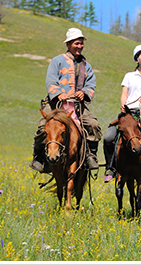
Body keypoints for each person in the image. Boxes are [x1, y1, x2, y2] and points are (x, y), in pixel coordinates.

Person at [30, 28, 102, 173]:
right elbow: (51, 80)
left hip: (77, 105)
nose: (80, 46)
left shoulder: (86, 65)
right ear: (68, 44)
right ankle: (38, 157)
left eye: (81, 43)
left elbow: (91, 84)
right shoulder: (57, 61)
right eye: (77, 43)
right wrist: (58, 93)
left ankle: (90, 155)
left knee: (93, 125)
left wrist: (84, 93)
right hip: (56, 104)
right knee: (42, 127)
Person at [102, 44, 141, 183]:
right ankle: (110, 168)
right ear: (137, 59)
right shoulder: (129, 76)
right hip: (128, 113)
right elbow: (124, 93)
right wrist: (123, 105)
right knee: (108, 137)